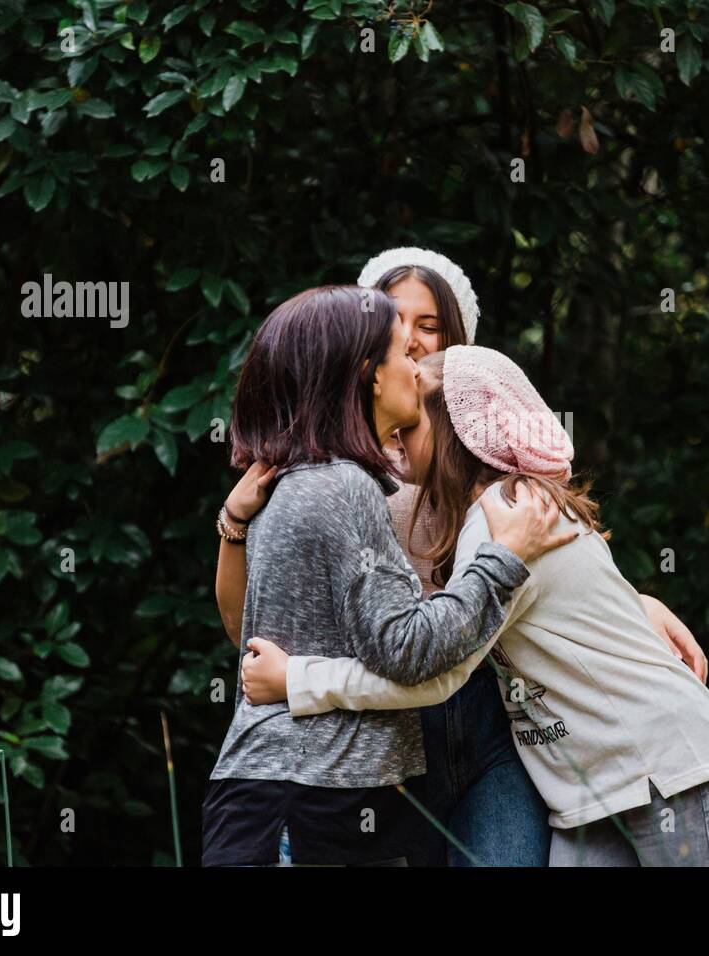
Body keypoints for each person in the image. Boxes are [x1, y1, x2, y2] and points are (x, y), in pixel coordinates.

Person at [216, 248, 708, 867]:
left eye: (429, 327)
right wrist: (233, 523)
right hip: (378, 724)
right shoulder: (342, 477)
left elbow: (559, 577)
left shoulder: (492, 475)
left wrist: (638, 603)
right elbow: (256, 635)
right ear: (361, 362)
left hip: (483, 714)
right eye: (397, 330)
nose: (415, 345)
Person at [201, 286, 574, 866]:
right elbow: (403, 647)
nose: (417, 369)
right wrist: (503, 559)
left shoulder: (311, 479)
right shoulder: (340, 487)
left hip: (301, 793)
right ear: (368, 375)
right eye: (403, 354)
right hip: (304, 797)